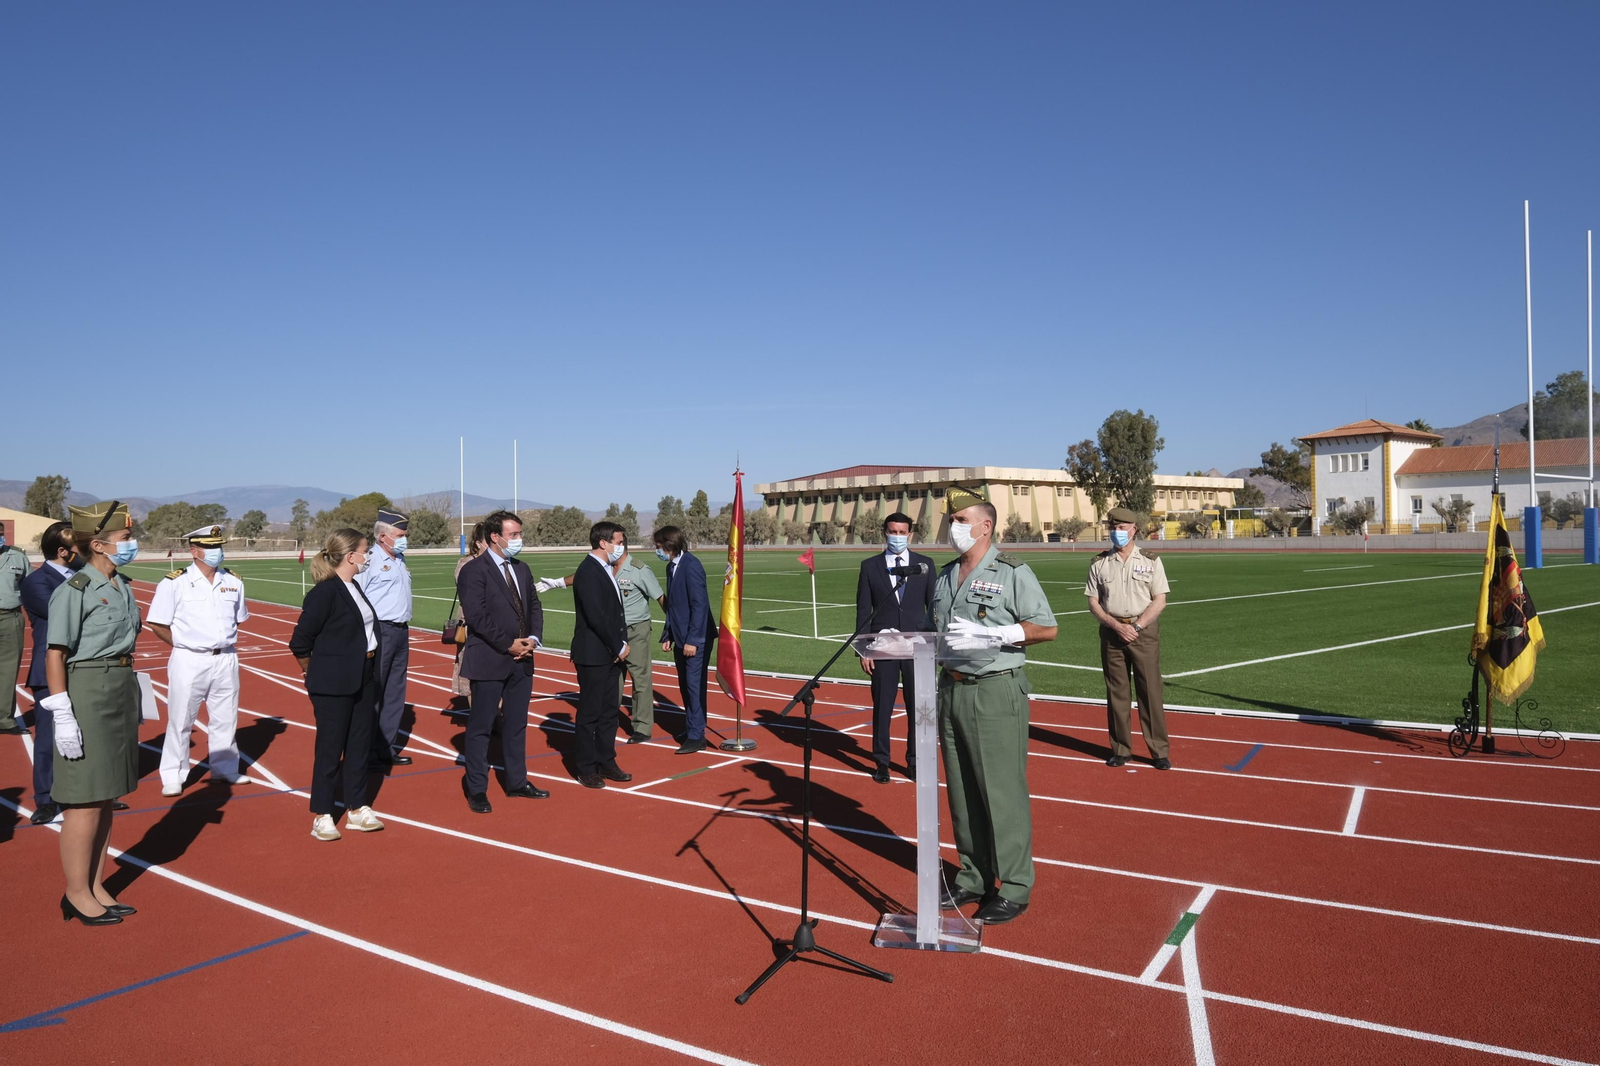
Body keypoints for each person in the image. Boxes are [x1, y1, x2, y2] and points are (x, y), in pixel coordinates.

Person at [933, 487, 1057, 925]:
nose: (954, 527)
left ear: (986, 525)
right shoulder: (946, 576)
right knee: (962, 791)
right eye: (951, 520)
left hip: (994, 689)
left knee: (1000, 791)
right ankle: (973, 875)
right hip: (950, 688)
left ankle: (1016, 884)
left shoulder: (1011, 571)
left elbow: (1046, 627)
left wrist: (998, 635)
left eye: (962, 519)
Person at [40, 501, 143, 924]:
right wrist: (62, 712)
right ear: (98, 544)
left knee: (104, 796)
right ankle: (75, 892)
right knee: (83, 800)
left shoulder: (121, 583)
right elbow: (55, 653)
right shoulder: (74, 590)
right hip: (87, 690)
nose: (132, 545)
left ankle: (97, 883)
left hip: (119, 687)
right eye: (124, 539)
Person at [288, 529, 386, 841]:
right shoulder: (325, 592)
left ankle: (357, 808)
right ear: (350, 556)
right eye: (364, 551)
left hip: (364, 676)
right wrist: (311, 671)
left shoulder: (354, 586)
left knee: (359, 745)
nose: (367, 556)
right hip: (332, 683)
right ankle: (323, 814)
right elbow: (300, 641)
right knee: (331, 749)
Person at [146, 524, 250, 796]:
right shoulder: (174, 583)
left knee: (226, 717)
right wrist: (182, 643)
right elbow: (157, 622)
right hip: (189, 659)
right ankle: (173, 774)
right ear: (194, 550)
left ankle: (225, 767)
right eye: (212, 547)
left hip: (226, 657)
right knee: (181, 719)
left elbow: (239, 619)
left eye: (219, 546)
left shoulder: (233, 581)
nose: (218, 551)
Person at [456, 510, 548, 813]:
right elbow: (477, 616)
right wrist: (508, 644)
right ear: (495, 537)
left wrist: (533, 639)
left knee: (517, 725)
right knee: (482, 726)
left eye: (520, 534)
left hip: (522, 660)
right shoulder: (474, 571)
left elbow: (534, 605)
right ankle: (477, 788)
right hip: (490, 659)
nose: (519, 540)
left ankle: (517, 781)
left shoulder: (522, 569)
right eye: (514, 535)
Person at [1084, 507, 1172, 770]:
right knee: (1117, 694)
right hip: (1112, 632)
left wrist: (1137, 626)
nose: (1116, 533)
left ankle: (1158, 750)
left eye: (1121, 528)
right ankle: (1121, 749)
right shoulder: (1099, 562)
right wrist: (1114, 625)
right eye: (1113, 528)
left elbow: (1160, 599)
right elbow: (1093, 601)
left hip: (1142, 633)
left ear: (1134, 529)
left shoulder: (1150, 560)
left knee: (1150, 692)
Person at [855, 511, 937, 783]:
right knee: (882, 706)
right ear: (885, 532)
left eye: (903, 532)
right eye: (893, 531)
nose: (898, 537)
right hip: (883, 648)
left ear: (910, 534)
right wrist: (864, 650)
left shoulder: (925, 565)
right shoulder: (869, 566)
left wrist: (933, 646)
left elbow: (933, 610)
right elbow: (863, 611)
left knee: (918, 707)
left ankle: (914, 761)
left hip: (917, 648)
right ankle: (881, 761)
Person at [21, 521, 77, 824]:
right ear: (62, 551)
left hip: (83, 666)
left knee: (87, 732)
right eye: (79, 546)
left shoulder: (85, 577)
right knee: (47, 739)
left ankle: (85, 790)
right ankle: (45, 798)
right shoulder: (36, 582)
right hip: (49, 670)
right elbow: (65, 615)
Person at [569, 522, 632, 788]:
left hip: (610, 655)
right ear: (603, 543)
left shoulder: (605, 569)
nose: (622, 546)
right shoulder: (588, 571)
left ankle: (606, 760)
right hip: (594, 654)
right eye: (618, 541)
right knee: (590, 713)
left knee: (609, 712)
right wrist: (618, 646)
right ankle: (585, 767)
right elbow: (596, 616)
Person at [356, 507, 414, 770]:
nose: (404, 538)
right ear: (383, 537)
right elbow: (357, 598)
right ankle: (366, 752)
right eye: (400, 534)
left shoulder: (399, 559)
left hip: (401, 631)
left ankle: (385, 749)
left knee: (394, 692)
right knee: (375, 692)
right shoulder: (369, 562)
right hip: (380, 630)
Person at [653, 525, 716, 755]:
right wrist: (668, 633)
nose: (656, 550)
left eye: (658, 546)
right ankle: (691, 727)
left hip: (695, 638)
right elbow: (674, 607)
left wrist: (693, 640)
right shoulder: (672, 567)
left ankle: (696, 735)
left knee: (694, 685)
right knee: (685, 685)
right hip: (680, 635)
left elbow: (700, 606)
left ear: (669, 545)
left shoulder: (692, 566)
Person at [449, 522, 487, 703]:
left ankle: (497, 720)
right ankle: (480, 722)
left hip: (496, 624)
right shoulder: (466, 564)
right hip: (469, 623)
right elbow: (469, 593)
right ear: (479, 542)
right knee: (470, 671)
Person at [0, 521, 29, 736]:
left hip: (10, 617)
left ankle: (4, 719)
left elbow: (30, 588)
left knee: (8, 671)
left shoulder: (18, 557)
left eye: (1, 534)